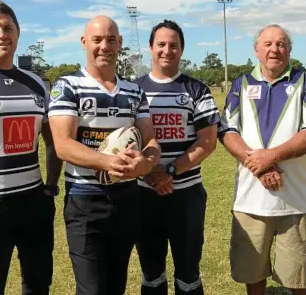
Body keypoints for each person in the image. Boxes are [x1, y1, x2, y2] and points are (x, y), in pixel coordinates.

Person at [48, 15, 161, 295]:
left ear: (120, 43)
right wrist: (109, 162)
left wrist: (143, 163)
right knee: (91, 289)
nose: (104, 46)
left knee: (116, 285)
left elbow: (152, 141)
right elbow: (63, 145)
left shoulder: (135, 91)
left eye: (111, 39)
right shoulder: (68, 86)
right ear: (84, 42)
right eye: (97, 39)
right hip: (85, 200)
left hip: (127, 199)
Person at [0, 0, 62, 295]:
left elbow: (52, 140)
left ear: (18, 33)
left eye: (8, 28)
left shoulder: (36, 83)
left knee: (38, 283)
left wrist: (51, 187)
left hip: (34, 199)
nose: (2, 34)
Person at [135, 20, 220, 295]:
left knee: (188, 273)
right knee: (151, 272)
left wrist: (169, 171)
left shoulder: (196, 89)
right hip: (143, 194)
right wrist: (148, 173)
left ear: (182, 50)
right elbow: (124, 141)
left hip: (186, 194)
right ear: (151, 48)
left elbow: (207, 142)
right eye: (161, 44)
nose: (167, 50)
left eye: (174, 45)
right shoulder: (133, 90)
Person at [220, 24, 306, 295]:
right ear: (256, 50)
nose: (274, 49)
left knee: (300, 278)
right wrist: (257, 166)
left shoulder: (303, 80)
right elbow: (227, 130)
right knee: (251, 273)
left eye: (281, 44)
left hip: (296, 200)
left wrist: (271, 157)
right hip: (250, 199)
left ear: (290, 50)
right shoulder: (241, 83)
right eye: (268, 44)